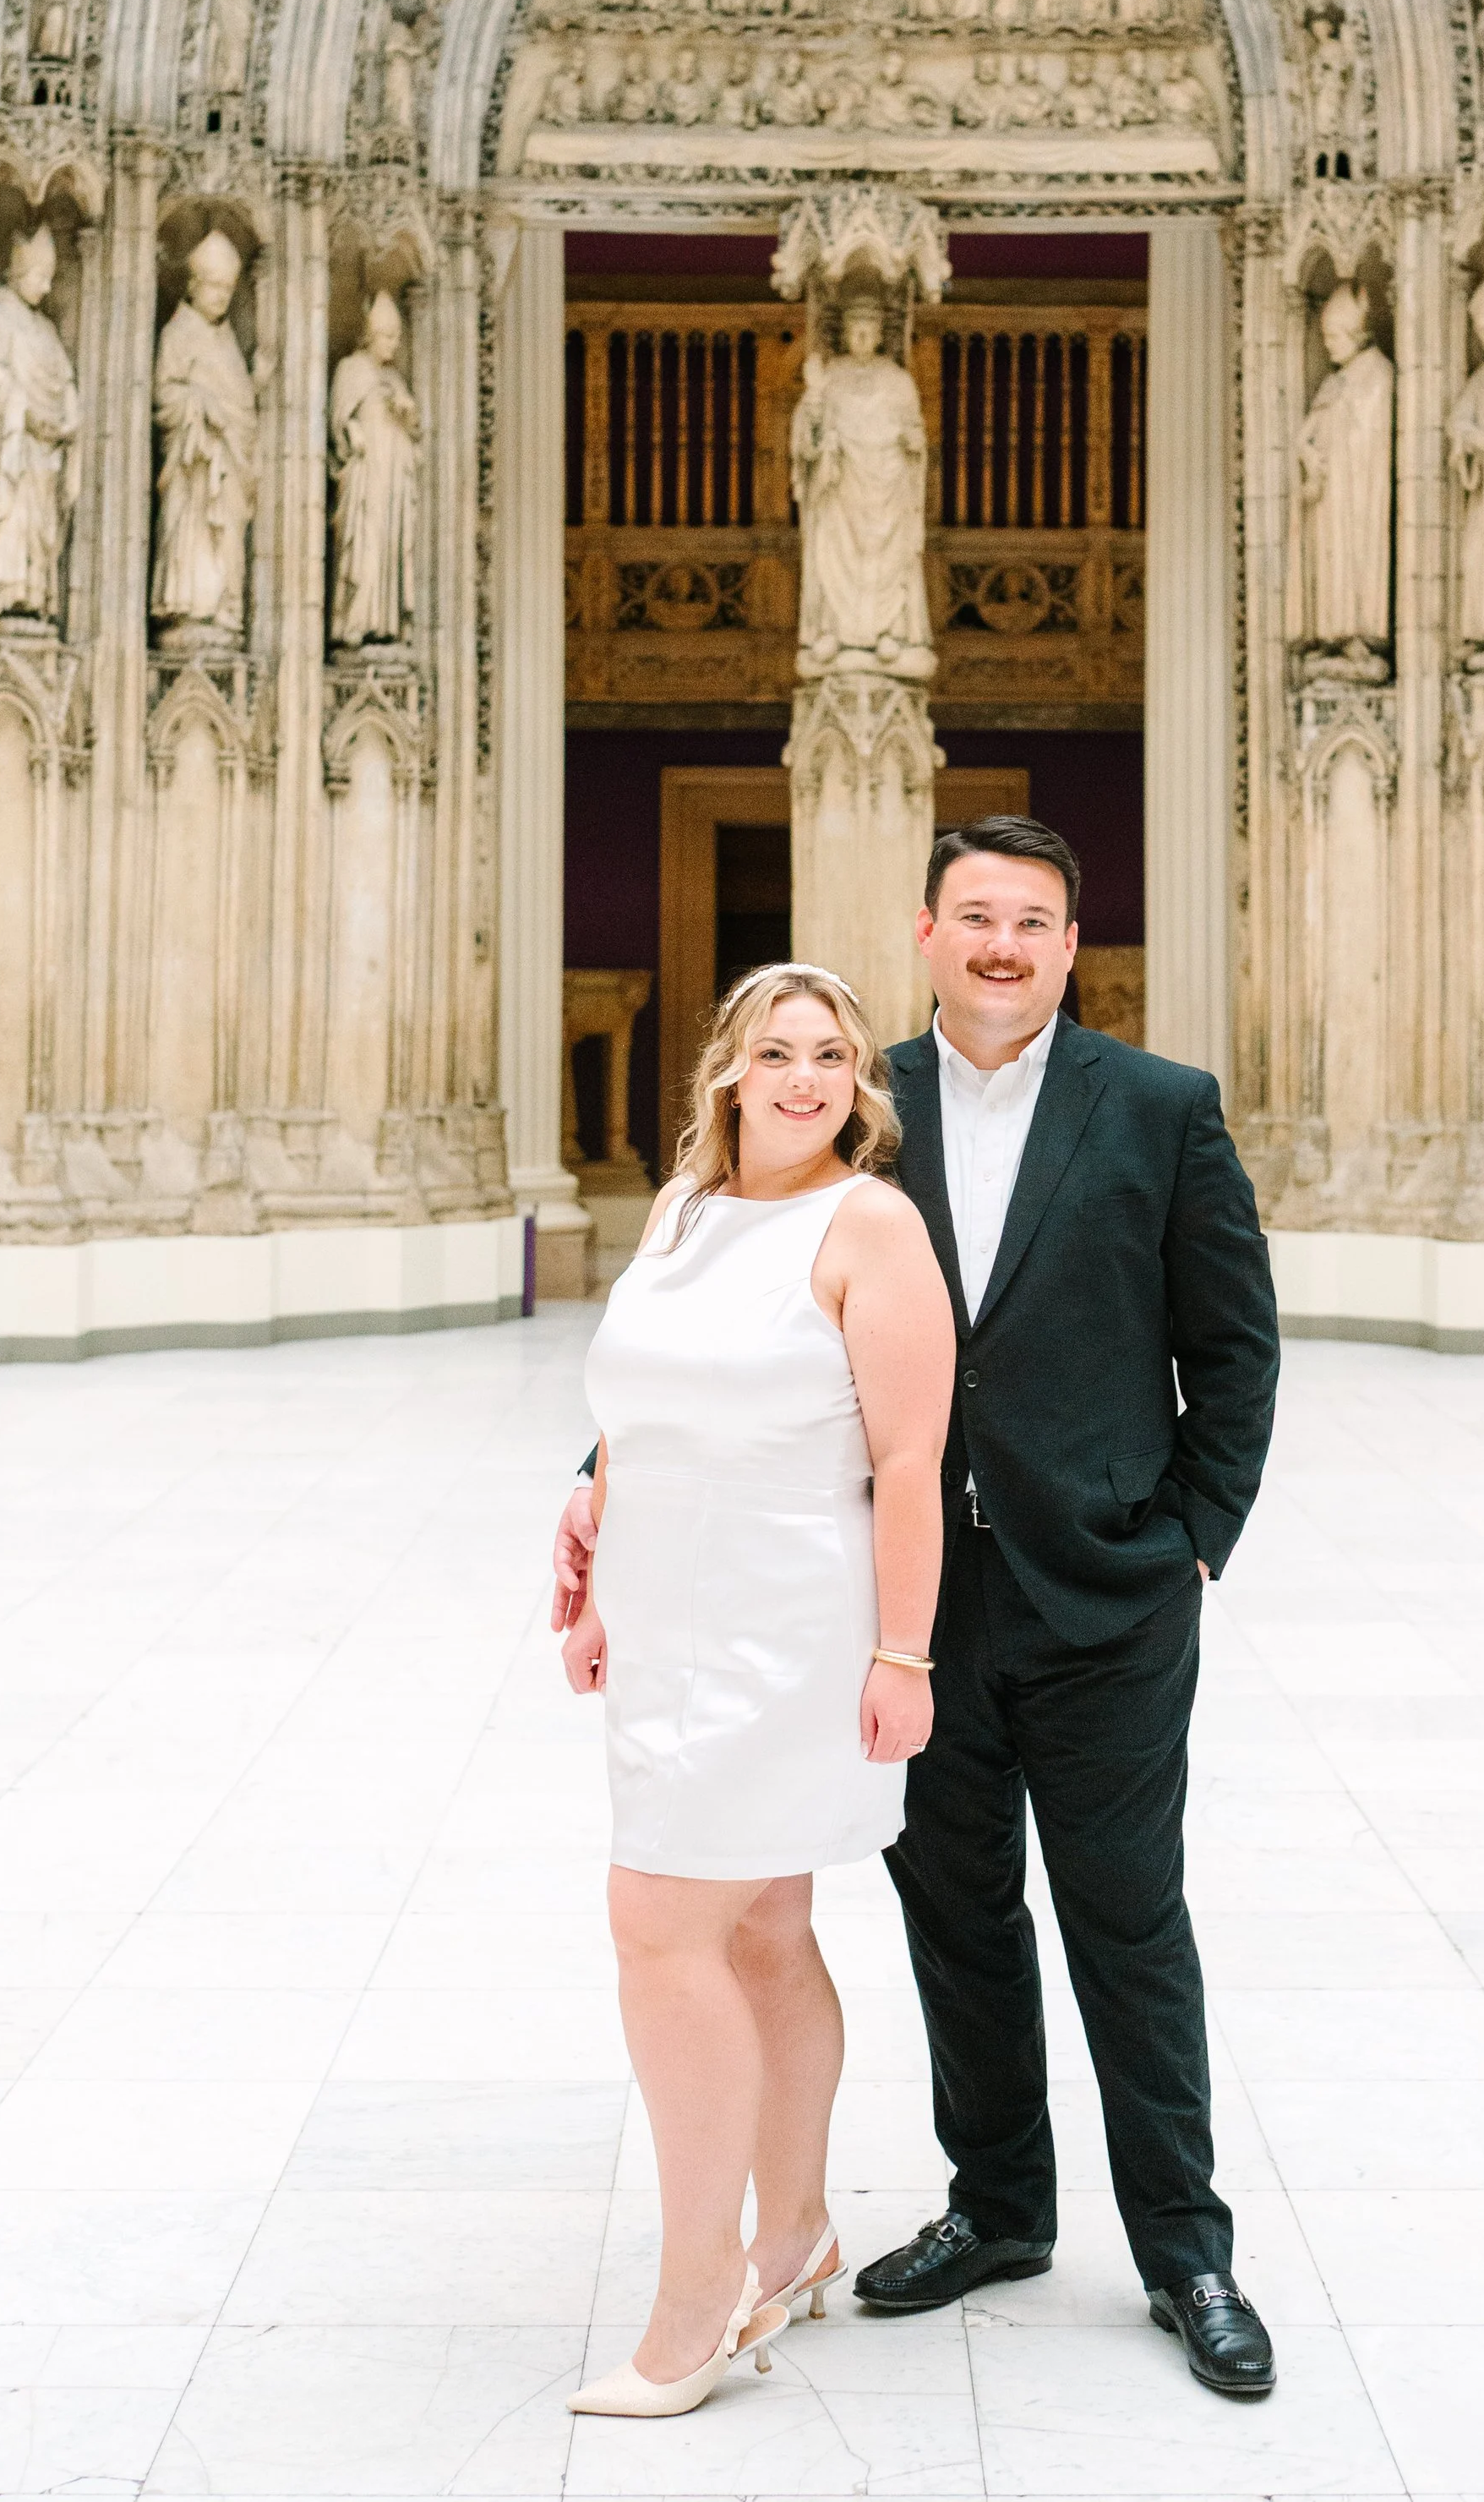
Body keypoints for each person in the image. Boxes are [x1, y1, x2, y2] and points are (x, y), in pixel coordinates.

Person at [554, 818, 1283, 2401]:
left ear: (1071, 944)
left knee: (1126, 1920)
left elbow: (1234, 1345)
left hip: (1103, 1597)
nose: (1003, 944)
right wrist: (601, 1472)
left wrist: (1191, 1541)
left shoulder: (1160, 1110)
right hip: (898, 1608)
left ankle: (1186, 2250)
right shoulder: (849, 1102)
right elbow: (722, 1315)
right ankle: (1002, 2207)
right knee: (956, 1921)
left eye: (1034, 919)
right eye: (975, 917)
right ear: (928, 932)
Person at [558, 963, 954, 2421]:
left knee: (660, 1921)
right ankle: (796, 2234)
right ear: (726, 1069)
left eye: (834, 1056)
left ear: (861, 1082)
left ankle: (694, 2301)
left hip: (791, 1625)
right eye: (777, 1051)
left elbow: (910, 1458)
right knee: (767, 1927)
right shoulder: (682, 1211)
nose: (805, 1078)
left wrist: (902, 1654)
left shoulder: (869, 1223)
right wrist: (596, 1566)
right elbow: (632, 1412)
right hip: (668, 1611)